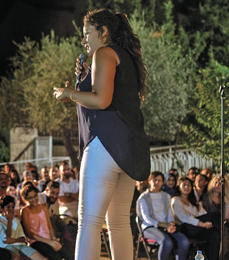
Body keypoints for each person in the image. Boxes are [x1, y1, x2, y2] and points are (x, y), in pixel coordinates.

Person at [52, 9, 150, 260]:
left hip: (104, 147)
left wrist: (69, 94)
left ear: (103, 32)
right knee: (117, 223)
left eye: (87, 33)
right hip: (127, 150)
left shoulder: (104, 53)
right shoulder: (126, 57)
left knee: (89, 223)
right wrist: (85, 77)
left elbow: (102, 100)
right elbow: (109, 96)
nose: (85, 40)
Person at [137, 172, 188, 260]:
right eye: (155, 180)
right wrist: (164, 225)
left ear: (162, 183)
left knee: (184, 241)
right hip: (150, 227)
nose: (157, 182)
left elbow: (170, 214)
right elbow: (147, 218)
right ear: (150, 181)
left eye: (159, 180)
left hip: (166, 226)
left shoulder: (166, 196)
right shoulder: (143, 198)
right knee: (167, 242)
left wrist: (171, 224)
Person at [20, 185, 73, 260]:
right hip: (36, 241)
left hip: (49, 239)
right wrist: (49, 242)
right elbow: (29, 233)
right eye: (30, 198)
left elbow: (50, 227)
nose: (34, 199)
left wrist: (54, 239)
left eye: (35, 196)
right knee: (55, 256)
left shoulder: (43, 207)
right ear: (25, 199)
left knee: (69, 254)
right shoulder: (25, 211)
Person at [171, 177, 219, 260]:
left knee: (215, 234)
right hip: (185, 228)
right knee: (213, 215)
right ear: (179, 187)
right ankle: (224, 230)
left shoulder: (193, 201)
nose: (187, 187)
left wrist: (206, 224)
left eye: (189, 185)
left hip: (199, 228)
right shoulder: (176, 200)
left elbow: (203, 213)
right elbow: (184, 218)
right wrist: (202, 224)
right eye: (184, 185)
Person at [0, 195, 47, 260]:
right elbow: (6, 240)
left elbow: (23, 238)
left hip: (21, 245)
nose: (11, 210)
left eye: (12, 207)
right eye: (8, 207)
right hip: (6, 246)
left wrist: (13, 240)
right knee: (16, 258)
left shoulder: (16, 220)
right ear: (1, 208)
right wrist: (9, 221)